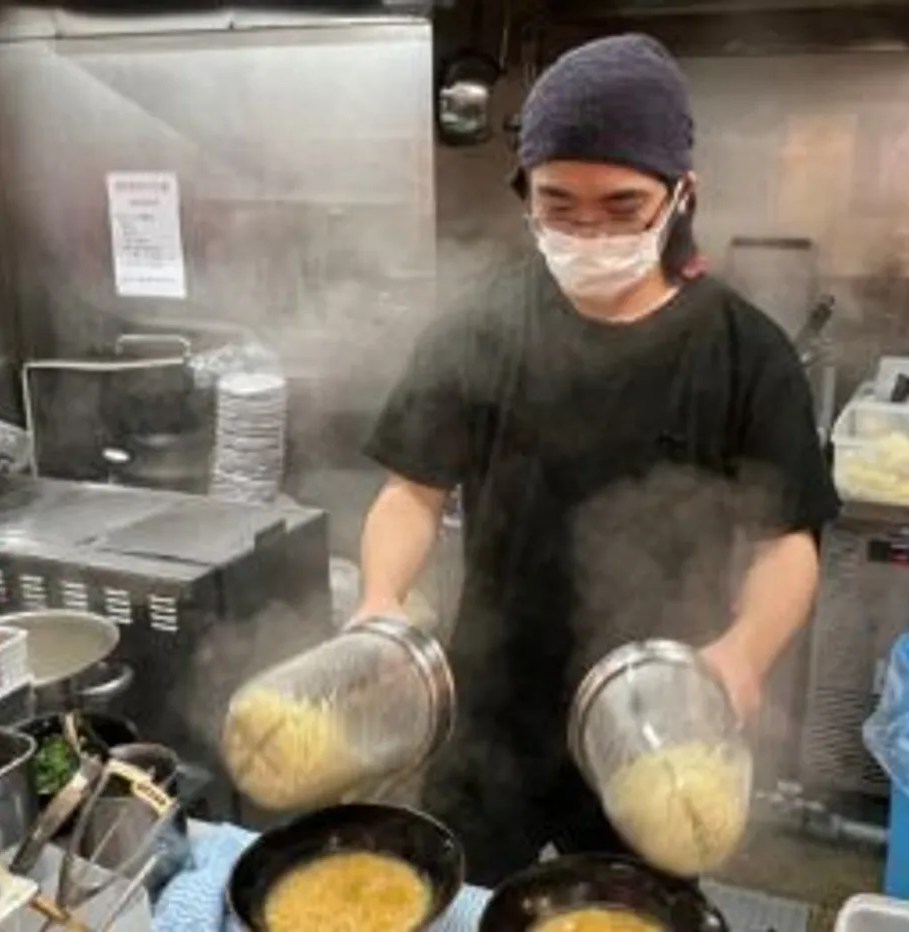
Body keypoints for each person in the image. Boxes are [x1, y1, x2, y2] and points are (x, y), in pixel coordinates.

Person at [356, 34, 839, 884]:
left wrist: (744, 654)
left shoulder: (745, 353)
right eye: (559, 205)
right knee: (460, 894)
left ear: (681, 194)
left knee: (630, 905)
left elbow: (786, 542)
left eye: (622, 207)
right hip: (492, 704)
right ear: (525, 197)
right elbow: (412, 491)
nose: (589, 233)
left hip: (658, 719)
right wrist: (381, 598)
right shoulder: (483, 323)